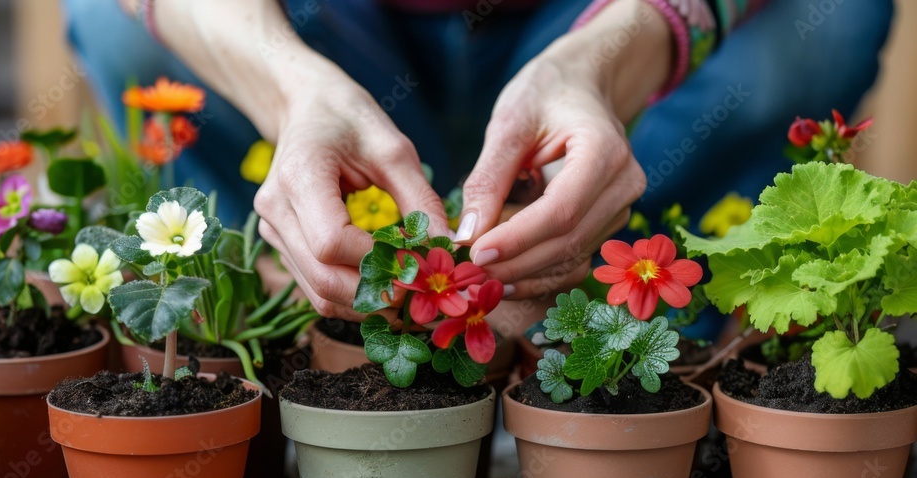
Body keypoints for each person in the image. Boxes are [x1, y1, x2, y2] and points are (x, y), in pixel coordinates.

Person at [64, 0, 892, 323]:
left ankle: (613, 271)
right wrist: (288, 92)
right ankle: (269, 305)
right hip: (330, 26)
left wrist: (603, 63)